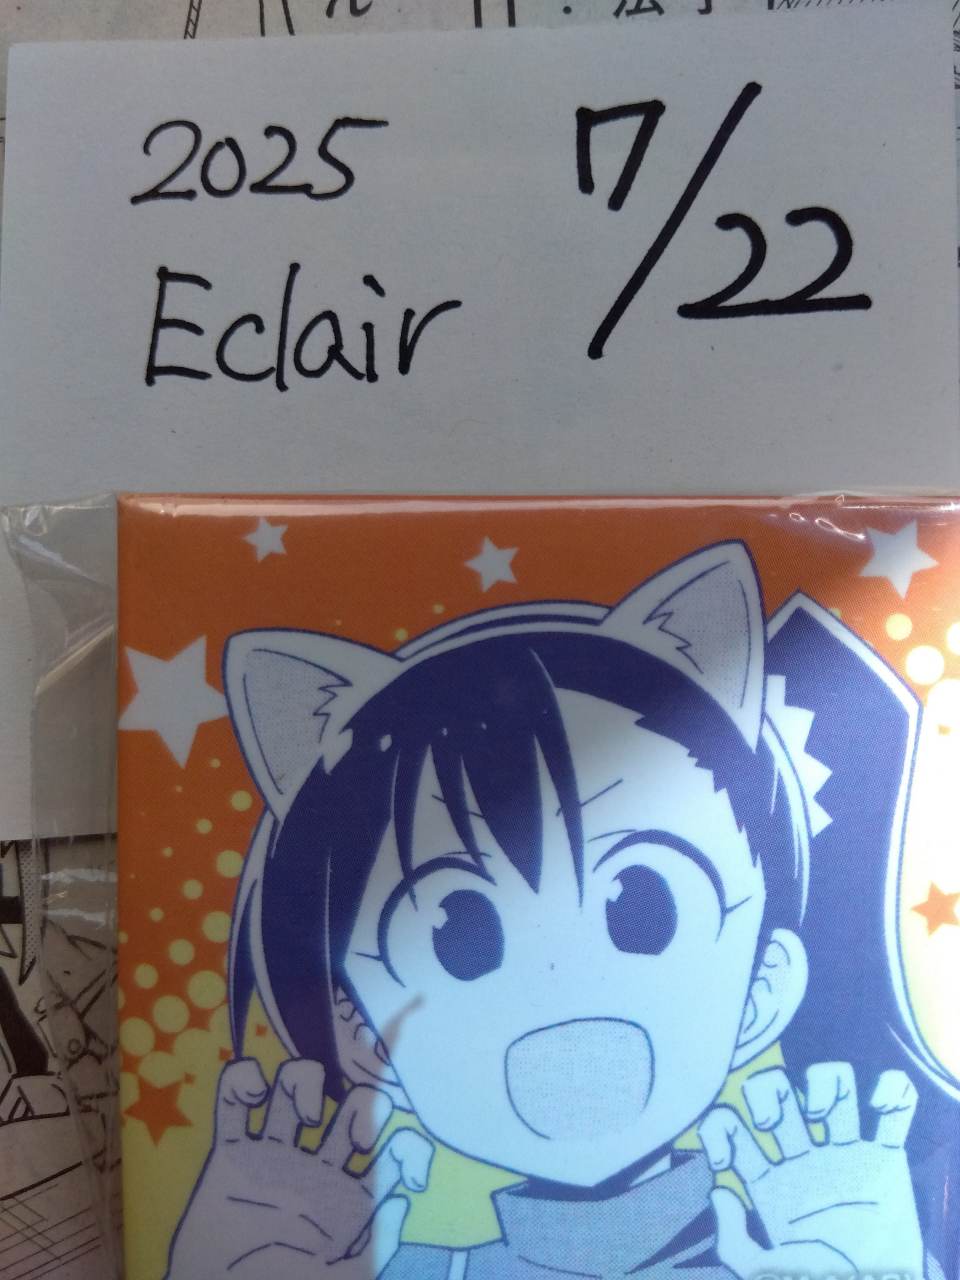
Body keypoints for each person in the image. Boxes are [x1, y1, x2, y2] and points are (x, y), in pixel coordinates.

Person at [168, 541, 956, 1279]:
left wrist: (880, 1267)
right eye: (457, 937)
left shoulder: (798, 1257)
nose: (563, 998)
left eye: (643, 908)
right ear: (359, 1032)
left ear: (765, 982)